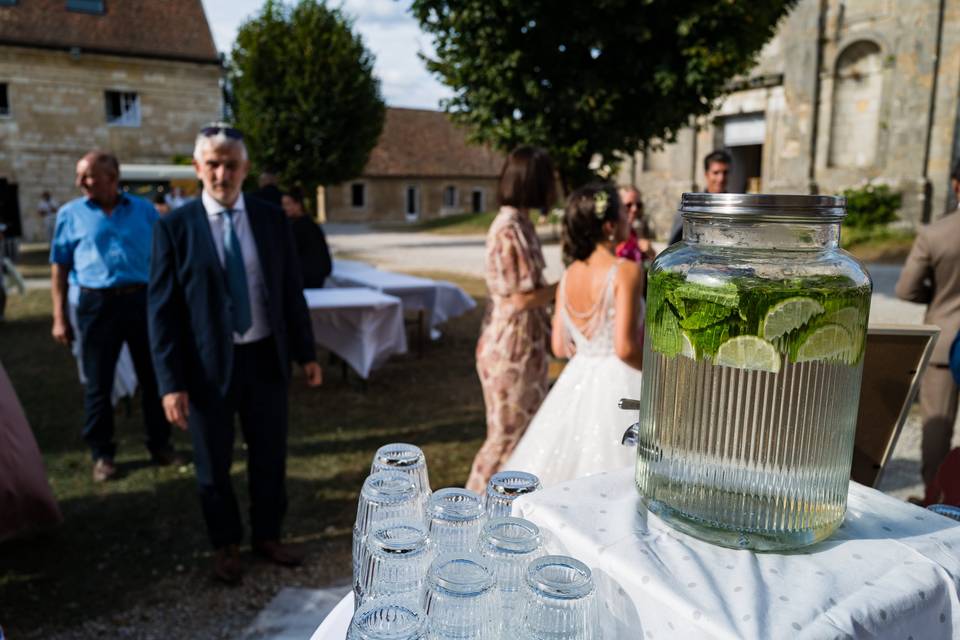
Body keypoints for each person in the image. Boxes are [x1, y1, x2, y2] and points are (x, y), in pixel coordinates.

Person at [148, 123, 322, 584]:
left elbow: (289, 291)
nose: (221, 173)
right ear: (197, 168)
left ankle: (267, 534)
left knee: (270, 454)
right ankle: (225, 544)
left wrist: (306, 353)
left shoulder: (269, 219)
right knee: (213, 462)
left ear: (244, 168)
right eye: (212, 164)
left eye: (230, 165)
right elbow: (161, 313)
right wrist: (170, 383)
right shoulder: (173, 229)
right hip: (206, 368)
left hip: (264, 357)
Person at [49, 151, 175, 482]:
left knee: (153, 377)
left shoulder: (145, 211)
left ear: (113, 178)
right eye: (80, 175)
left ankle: (160, 443)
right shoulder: (70, 214)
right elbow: (59, 266)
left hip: (140, 301)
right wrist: (59, 316)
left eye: (88, 175)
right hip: (96, 305)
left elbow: (165, 256)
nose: (80, 182)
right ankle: (102, 453)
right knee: (98, 382)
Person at [505, 184, 644, 485]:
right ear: (609, 226)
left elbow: (558, 346)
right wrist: (660, 370)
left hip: (577, 376)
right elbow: (624, 348)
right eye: (623, 212)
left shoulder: (568, 274)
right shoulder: (627, 271)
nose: (628, 219)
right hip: (621, 382)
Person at [465, 146, 558, 493]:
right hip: (510, 350)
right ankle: (468, 511)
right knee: (504, 440)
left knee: (523, 439)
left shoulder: (522, 224)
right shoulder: (507, 229)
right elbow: (520, 298)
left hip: (525, 345)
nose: (554, 188)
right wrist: (572, 282)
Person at [895, 160, 960, 495]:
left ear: (955, 185)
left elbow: (906, 289)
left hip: (946, 338)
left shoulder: (935, 234)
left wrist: (937, 294)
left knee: (937, 429)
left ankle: (936, 497)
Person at [668, 149, 732, 245]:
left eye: (725, 173)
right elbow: (675, 242)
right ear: (706, 174)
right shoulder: (691, 205)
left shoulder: (733, 206)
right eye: (716, 173)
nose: (721, 178)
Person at [282, 187, 332, 288]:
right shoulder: (305, 223)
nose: (284, 208)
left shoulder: (301, 225)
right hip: (312, 275)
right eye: (283, 204)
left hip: (308, 278)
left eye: (288, 204)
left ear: (298, 205)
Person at [616, 185, 656, 266]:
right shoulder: (610, 235)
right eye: (628, 205)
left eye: (638, 205)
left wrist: (650, 252)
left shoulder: (634, 232)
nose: (634, 209)